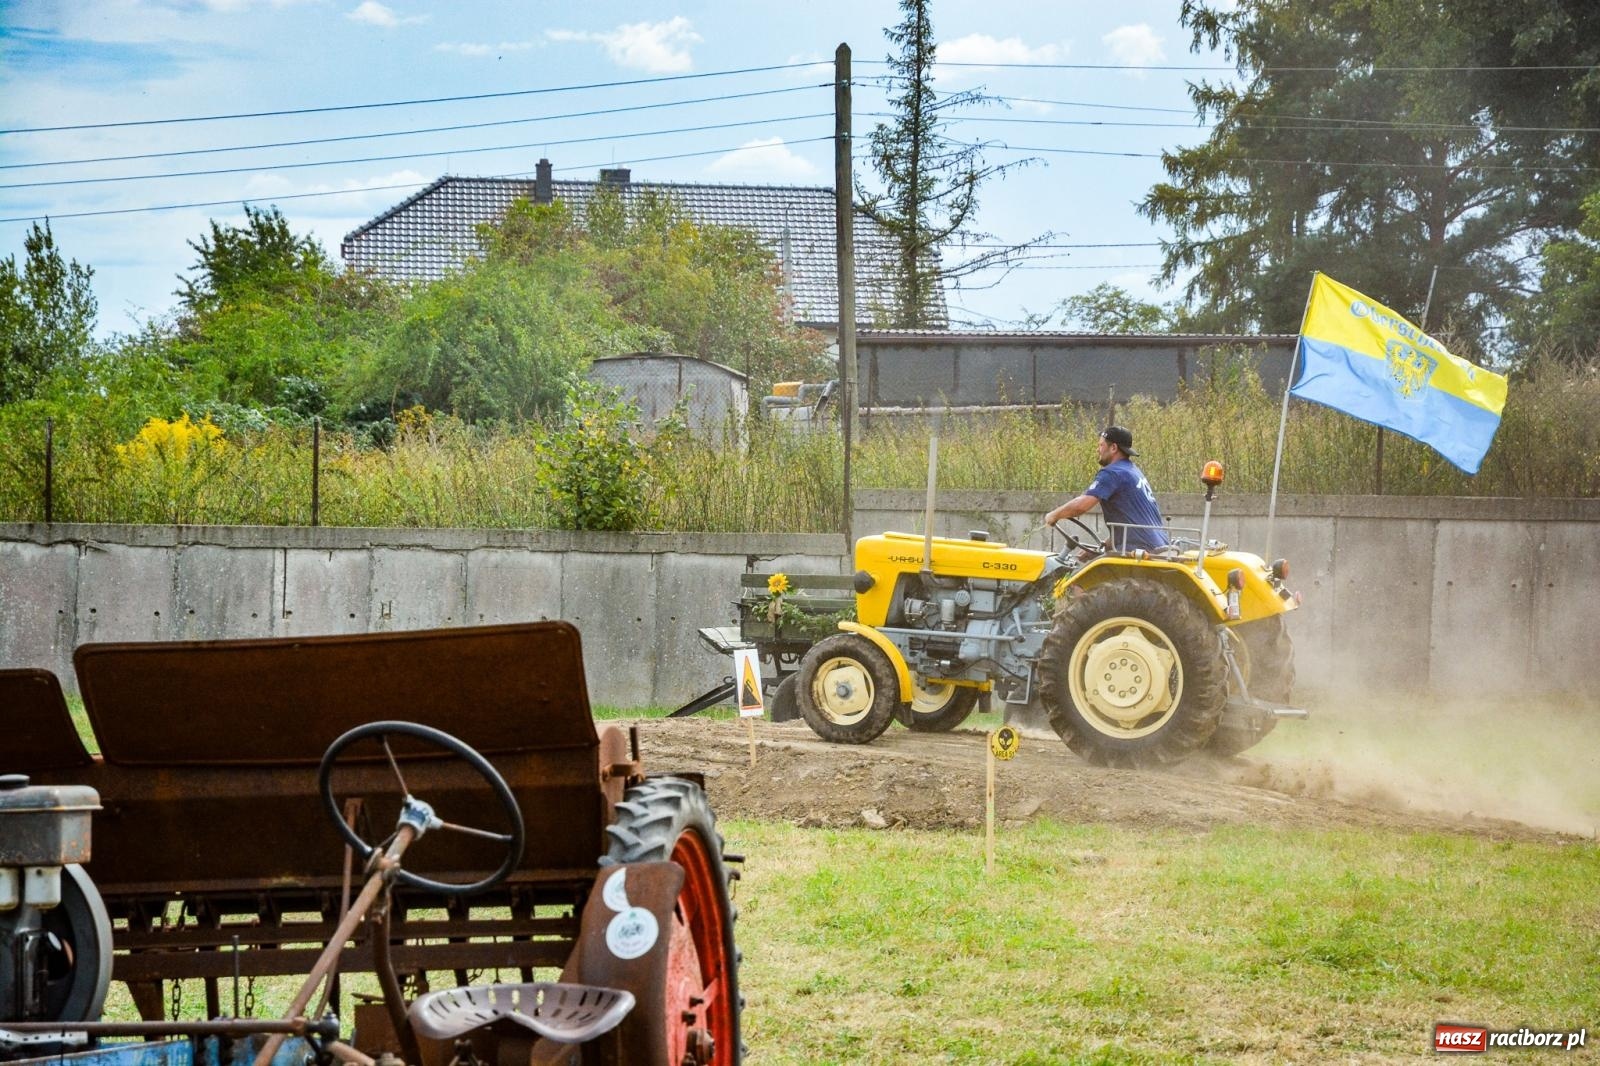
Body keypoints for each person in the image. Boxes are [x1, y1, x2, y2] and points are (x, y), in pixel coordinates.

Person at [1044, 425, 1170, 552]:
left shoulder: (1112, 473)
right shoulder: (1133, 471)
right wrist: (1103, 549)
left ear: (1113, 448)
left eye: (1101, 445)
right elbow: (1133, 522)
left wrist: (1054, 515)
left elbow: (1080, 506)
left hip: (1138, 551)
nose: (1098, 450)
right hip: (1158, 547)